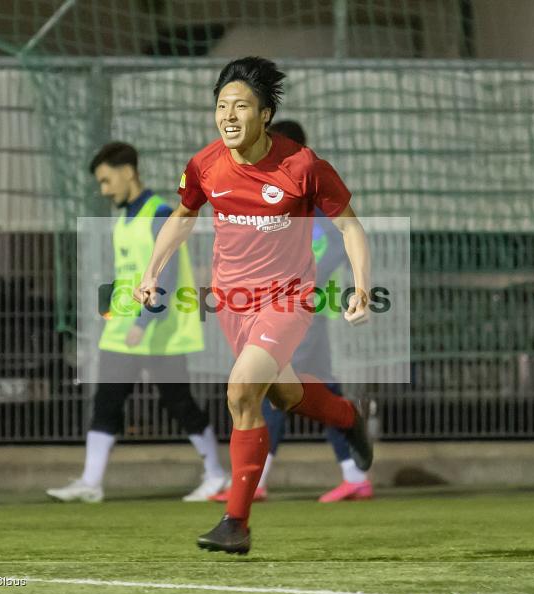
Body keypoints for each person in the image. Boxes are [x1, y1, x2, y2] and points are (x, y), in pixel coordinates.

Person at [136, 57, 373, 554]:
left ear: (264, 114)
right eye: (221, 106)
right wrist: (151, 272)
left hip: (287, 300)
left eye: (240, 105)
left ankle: (235, 523)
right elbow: (182, 217)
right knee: (283, 396)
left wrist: (361, 284)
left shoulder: (302, 166)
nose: (228, 115)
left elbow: (350, 225)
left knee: (242, 392)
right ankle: (346, 415)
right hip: (232, 303)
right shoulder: (204, 163)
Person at [46, 142, 228, 504]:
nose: (104, 189)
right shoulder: (124, 220)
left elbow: (169, 272)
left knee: (179, 403)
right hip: (123, 331)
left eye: (106, 180)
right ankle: (91, 481)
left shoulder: (159, 213)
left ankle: (217, 474)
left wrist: (144, 322)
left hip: (159, 331)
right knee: (106, 401)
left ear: (128, 171)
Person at [209, 120, 372, 504]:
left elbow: (338, 245)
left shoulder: (308, 205)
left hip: (297, 314)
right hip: (288, 315)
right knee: (308, 390)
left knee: (269, 389)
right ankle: (354, 473)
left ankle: (257, 481)